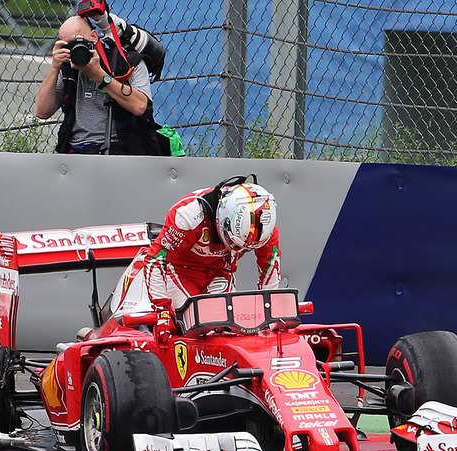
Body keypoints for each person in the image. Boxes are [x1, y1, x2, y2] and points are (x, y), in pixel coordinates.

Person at [144, 177, 281, 323]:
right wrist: (162, 313)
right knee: (188, 322)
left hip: (220, 271)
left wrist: (271, 312)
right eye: (235, 243)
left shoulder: (263, 229)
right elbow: (155, 260)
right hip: (179, 270)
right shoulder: (189, 216)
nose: (238, 250)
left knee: (225, 324)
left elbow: (270, 266)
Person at [35, 15, 154, 154]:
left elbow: (140, 106)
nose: (76, 48)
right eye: (69, 45)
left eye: (79, 41)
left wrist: (99, 75)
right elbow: (42, 111)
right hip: (77, 150)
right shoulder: (68, 68)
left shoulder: (127, 63)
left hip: (120, 148)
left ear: (94, 36)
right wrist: (55, 68)